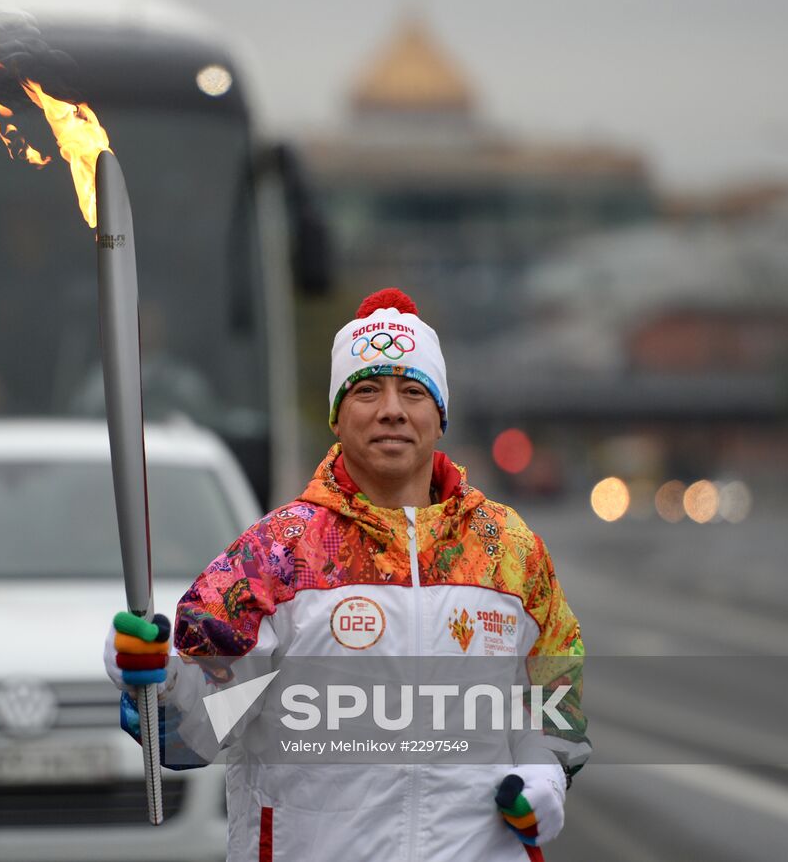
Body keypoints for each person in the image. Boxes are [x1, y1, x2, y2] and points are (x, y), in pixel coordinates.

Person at [105, 288, 588, 861]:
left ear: (439, 417)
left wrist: (544, 778)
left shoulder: (509, 551)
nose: (391, 410)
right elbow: (200, 730)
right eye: (367, 391)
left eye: (413, 391)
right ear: (338, 417)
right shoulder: (276, 556)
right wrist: (155, 677)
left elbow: (554, 695)